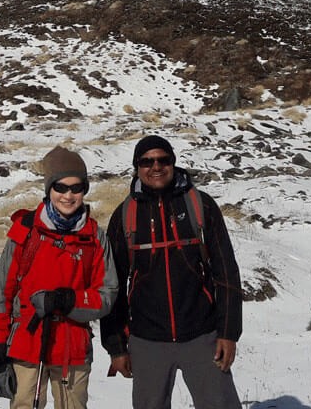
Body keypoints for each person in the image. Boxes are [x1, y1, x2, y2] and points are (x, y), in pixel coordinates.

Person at [101, 134, 243, 409]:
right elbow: (113, 286)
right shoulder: (125, 215)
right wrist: (117, 347)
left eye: (163, 160)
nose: (156, 167)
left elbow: (226, 272)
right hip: (147, 340)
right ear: (137, 167)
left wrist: (228, 332)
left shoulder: (200, 206)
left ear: (173, 163)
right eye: (147, 161)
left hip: (202, 335)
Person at [0, 146, 118, 409]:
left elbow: (107, 295)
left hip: (73, 347)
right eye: (60, 187)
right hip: (27, 343)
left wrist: (69, 300)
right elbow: (3, 292)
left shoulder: (95, 237)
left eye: (77, 187)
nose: (68, 195)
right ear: (49, 188)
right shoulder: (26, 230)